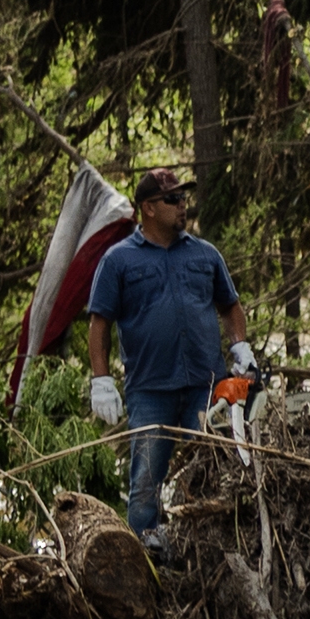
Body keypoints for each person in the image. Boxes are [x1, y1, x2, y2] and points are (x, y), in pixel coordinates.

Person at [83, 171, 250, 558]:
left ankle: (208, 549)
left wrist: (240, 348)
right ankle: (146, 555)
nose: (182, 205)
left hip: (204, 386)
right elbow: (99, 322)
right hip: (150, 389)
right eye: (173, 200)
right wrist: (101, 380)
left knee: (208, 469)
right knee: (146, 479)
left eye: (183, 198)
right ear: (149, 208)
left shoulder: (204, 254)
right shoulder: (118, 260)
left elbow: (230, 305)